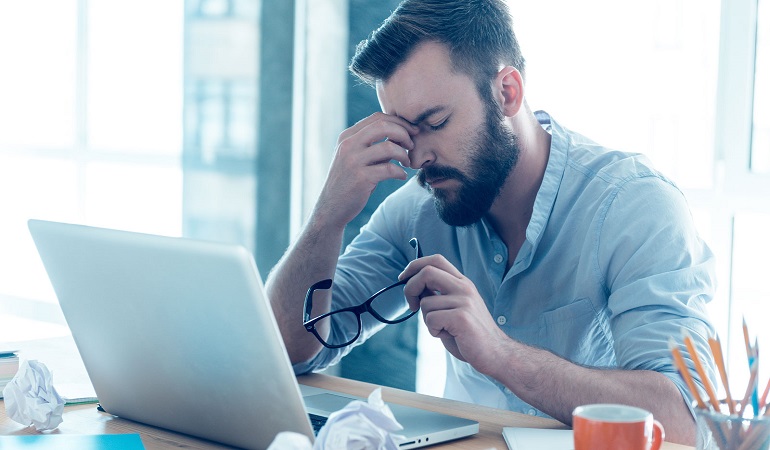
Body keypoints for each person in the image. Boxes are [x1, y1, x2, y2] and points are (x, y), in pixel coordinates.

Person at [266, 0, 716, 444]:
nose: (417, 157)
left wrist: (501, 354)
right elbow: (289, 352)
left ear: (507, 92)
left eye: (436, 122)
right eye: (404, 132)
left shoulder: (635, 207)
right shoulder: (419, 208)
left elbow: (683, 419)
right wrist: (328, 216)